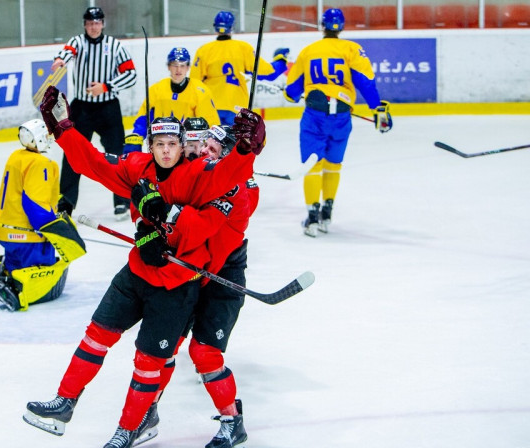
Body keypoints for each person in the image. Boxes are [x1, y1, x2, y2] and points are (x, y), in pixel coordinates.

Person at [23, 86, 266, 448]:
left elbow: (216, 206)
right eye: (159, 144)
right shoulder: (140, 168)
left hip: (191, 279)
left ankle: (133, 428)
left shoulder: (216, 182)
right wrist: (64, 128)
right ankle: (68, 403)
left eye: (174, 143)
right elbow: (93, 163)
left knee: (165, 358)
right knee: (99, 335)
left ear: (183, 145)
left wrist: (248, 149)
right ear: (150, 146)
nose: (167, 150)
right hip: (141, 273)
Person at [135, 124, 260, 448]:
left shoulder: (237, 192)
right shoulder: (196, 173)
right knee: (165, 347)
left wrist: (169, 221)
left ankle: (232, 421)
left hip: (221, 277)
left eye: (214, 152)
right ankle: (147, 414)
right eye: (204, 146)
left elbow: (200, 231)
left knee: (204, 352)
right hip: (193, 272)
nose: (204, 153)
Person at [0, 119, 86, 312]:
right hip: (30, 236)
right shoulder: (41, 163)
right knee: (41, 273)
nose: (49, 139)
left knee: (15, 268)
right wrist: (52, 229)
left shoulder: (17, 156)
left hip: (7, 231)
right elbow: (35, 204)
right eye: (46, 136)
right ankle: (14, 292)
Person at [283, 8, 393, 237]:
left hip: (315, 116)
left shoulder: (309, 51)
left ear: (322, 25)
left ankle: (312, 218)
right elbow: (365, 82)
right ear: (341, 27)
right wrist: (377, 109)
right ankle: (327, 214)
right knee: (334, 164)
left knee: (313, 166)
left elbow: (292, 91)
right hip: (341, 117)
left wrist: (290, 95)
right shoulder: (352, 49)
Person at [50, 6, 137, 220]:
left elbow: (131, 74)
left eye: (97, 23)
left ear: (103, 24)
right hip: (82, 108)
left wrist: (106, 86)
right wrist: (60, 60)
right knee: (72, 154)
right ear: (85, 25)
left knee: (116, 154)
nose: (93, 27)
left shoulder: (115, 46)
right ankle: (67, 203)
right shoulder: (78, 41)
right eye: (89, 23)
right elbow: (68, 52)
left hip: (108, 108)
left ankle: (121, 202)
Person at [193, 10, 290, 126]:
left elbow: (195, 85)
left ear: (215, 27)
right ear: (232, 27)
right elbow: (269, 73)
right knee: (236, 144)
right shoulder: (243, 48)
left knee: (212, 144)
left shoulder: (203, 51)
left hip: (211, 109)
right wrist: (281, 60)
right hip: (236, 109)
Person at [127, 47, 220, 144]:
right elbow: (144, 117)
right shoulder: (157, 89)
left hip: (189, 144)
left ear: (188, 67)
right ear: (168, 66)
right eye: (175, 65)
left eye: (182, 65)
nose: (178, 70)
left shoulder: (200, 91)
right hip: (162, 142)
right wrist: (137, 136)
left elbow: (210, 122)